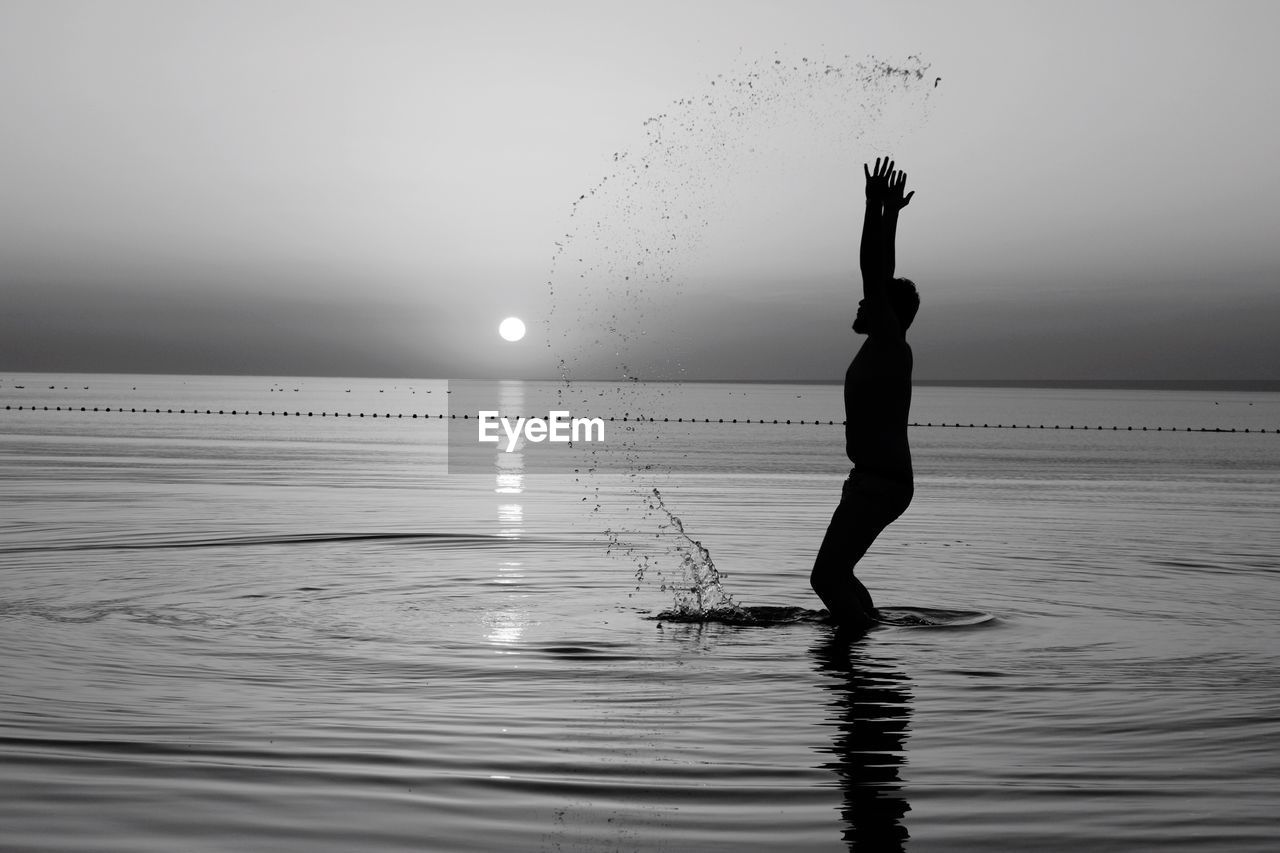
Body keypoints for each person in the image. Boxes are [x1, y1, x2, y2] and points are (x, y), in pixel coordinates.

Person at [810, 157, 919, 629]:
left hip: (881, 481)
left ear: (886, 311)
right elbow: (877, 277)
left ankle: (857, 650)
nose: (859, 303)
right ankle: (868, 633)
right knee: (839, 575)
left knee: (826, 579)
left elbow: (874, 273)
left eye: (870, 301)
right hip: (872, 480)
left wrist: (877, 207)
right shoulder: (884, 348)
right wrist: (887, 213)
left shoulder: (890, 344)